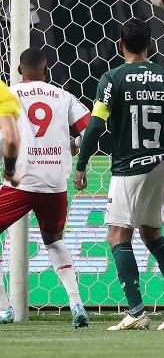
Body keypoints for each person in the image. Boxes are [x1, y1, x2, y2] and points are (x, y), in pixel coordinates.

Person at [74, 18, 164, 331]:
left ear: (121, 45)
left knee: (118, 235)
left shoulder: (112, 77)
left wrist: (81, 164)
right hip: (162, 163)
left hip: (129, 167)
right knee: (152, 234)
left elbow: (96, 125)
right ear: (149, 45)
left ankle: (136, 312)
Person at [0, 48, 90, 328]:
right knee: (53, 240)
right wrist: (73, 147)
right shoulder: (63, 96)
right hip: (55, 184)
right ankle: (76, 303)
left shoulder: (9, 95)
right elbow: (90, 129)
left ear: (18, 71)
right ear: (46, 69)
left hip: (22, 181)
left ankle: (4, 309)